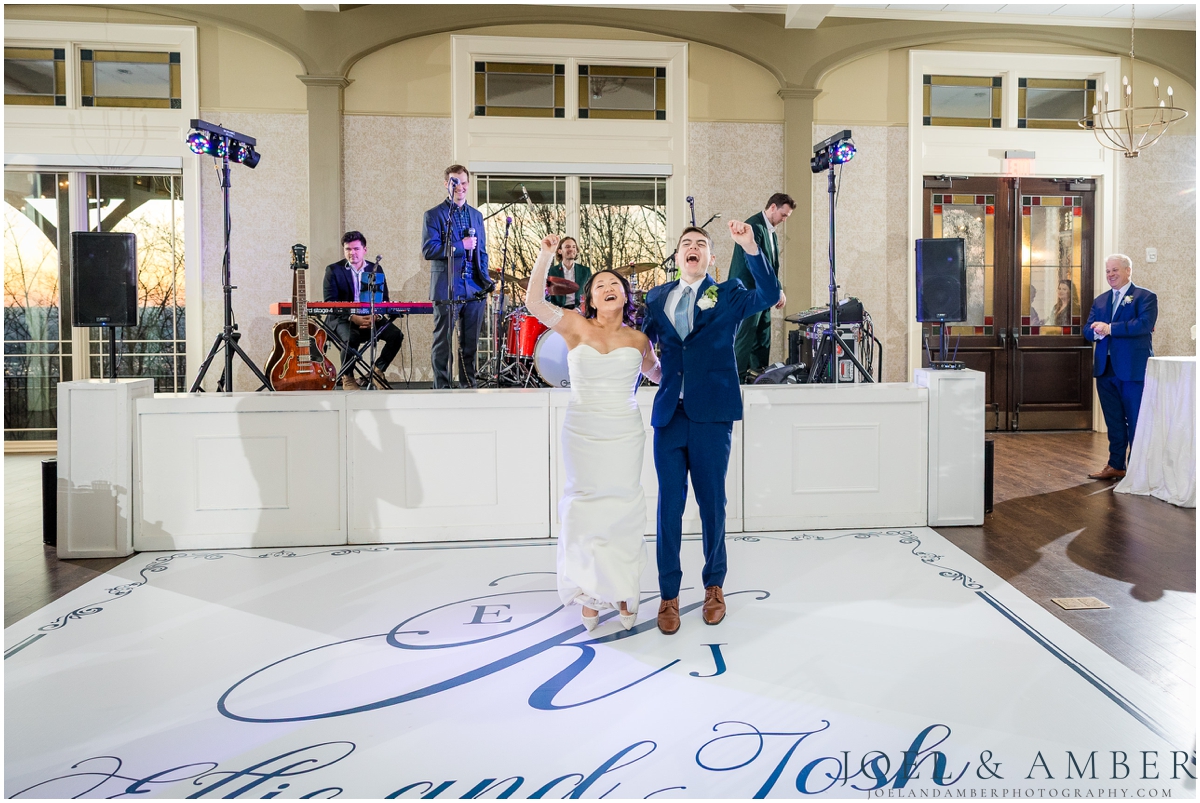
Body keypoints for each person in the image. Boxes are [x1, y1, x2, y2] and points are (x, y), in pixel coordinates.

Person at [642, 221, 779, 635]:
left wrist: (750, 246)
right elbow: (640, 346)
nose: (693, 247)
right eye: (686, 243)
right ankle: (668, 595)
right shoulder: (657, 297)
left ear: (710, 258)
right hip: (670, 417)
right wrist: (650, 373)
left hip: (712, 416)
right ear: (677, 256)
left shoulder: (729, 293)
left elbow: (769, 293)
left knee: (712, 505)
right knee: (669, 508)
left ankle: (714, 587)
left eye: (700, 244)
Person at [524, 234, 661, 632]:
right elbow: (534, 303)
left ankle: (623, 587)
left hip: (624, 430)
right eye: (600, 284)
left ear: (625, 295)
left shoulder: (639, 339)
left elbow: (659, 374)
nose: (608, 287)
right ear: (591, 298)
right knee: (584, 507)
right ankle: (587, 590)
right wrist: (545, 254)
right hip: (582, 428)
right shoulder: (575, 326)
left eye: (615, 283)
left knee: (622, 507)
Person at [1083, 254, 1158, 480]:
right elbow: (1087, 330)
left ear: (1128, 271)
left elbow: (1143, 325)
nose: (1110, 275)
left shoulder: (1145, 297)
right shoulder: (1100, 300)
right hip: (1105, 370)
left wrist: (1110, 328)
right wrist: (1096, 331)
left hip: (1132, 370)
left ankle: (1137, 469)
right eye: (1107, 271)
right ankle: (1116, 464)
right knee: (1113, 420)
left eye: (1115, 270)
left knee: (1136, 420)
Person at [422, 165, 494, 388]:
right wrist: (460, 245)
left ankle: (468, 388)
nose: (459, 187)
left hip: (474, 288)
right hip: (447, 288)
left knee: (469, 345)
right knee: (443, 345)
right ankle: (442, 390)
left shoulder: (476, 215)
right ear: (446, 184)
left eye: (463, 183)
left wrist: (485, 281)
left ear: (468, 185)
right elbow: (429, 250)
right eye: (454, 182)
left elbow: (482, 252)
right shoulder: (434, 215)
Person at [323, 231, 404, 390]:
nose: (352, 253)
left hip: (371, 316)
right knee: (350, 339)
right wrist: (352, 317)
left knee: (396, 335)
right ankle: (348, 377)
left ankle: (377, 372)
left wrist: (377, 316)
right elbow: (330, 302)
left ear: (364, 250)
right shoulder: (333, 270)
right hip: (343, 318)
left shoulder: (375, 269)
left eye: (356, 249)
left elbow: (384, 299)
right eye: (348, 249)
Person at [729, 193, 793, 381]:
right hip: (749, 293)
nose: (784, 219)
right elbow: (754, 263)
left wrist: (777, 289)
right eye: (783, 215)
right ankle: (737, 380)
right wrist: (774, 290)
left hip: (763, 293)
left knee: (762, 336)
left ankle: (758, 377)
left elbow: (770, 265)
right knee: (745, 338)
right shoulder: (754, 227)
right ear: (772, 207)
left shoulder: (770, 231)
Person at [547, 236, 591, 309]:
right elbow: (547, 295)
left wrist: (580, 309)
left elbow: (590, 293)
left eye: (574, 247)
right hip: (559, 311)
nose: (571, 249)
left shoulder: (586, 271)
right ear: (560, 251)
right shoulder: (551, 271)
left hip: (580, 311)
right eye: (567, 247)